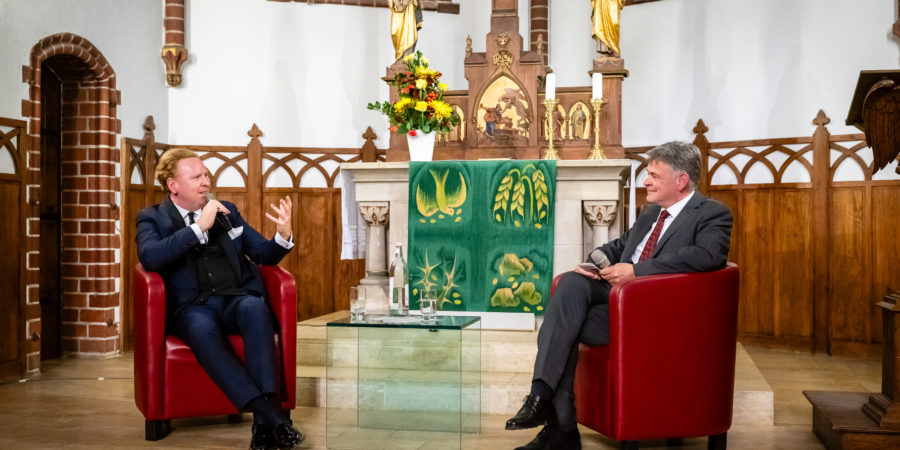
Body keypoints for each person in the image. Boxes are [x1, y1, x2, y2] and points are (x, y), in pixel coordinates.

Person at [505, 141, 733, 450]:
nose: (646, 181)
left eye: (654, 175)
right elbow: (619, 246)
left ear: (681, 180)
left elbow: (707, 256)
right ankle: (541, 397)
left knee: (563, 325)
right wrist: (594, 260)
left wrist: (636, 272)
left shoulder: (712, 214)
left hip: (657, 314)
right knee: (571, 283)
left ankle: (559, 426)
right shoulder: (651, 213)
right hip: (618, 303)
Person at [135, 148, 304, 450]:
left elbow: (262, 254)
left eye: (206, 175)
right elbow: (150, 256)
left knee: (256, 308)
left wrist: (283, 235)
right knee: (201, 330)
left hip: (236, 298)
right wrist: (198, 227)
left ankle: (262, 426)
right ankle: (273, 419)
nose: (205, 181)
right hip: (192, 308)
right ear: (173, 185)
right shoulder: (152, 218)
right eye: (196, 177)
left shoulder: (227, 210)